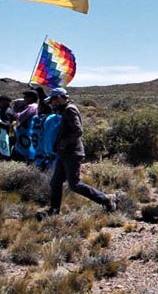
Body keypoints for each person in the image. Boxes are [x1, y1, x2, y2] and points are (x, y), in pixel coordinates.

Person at [43, 88, 117, 217]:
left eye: (53, 101)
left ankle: (105, 199)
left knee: (75, 184)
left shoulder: (70, 110)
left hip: (72, 153)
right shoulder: (64, 110)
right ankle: (54, 211)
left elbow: (78, 131)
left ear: (60, 98)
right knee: (55, 182)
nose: (52, 104)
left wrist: (64, 143)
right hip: (64, 153)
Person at [12, 90, 39, 161]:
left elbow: (20, 118)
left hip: (26, 137)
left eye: (25, 97)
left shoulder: (32, 107)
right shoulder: (36, 107)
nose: (24, 99)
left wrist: (16, 112)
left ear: (30, 98)